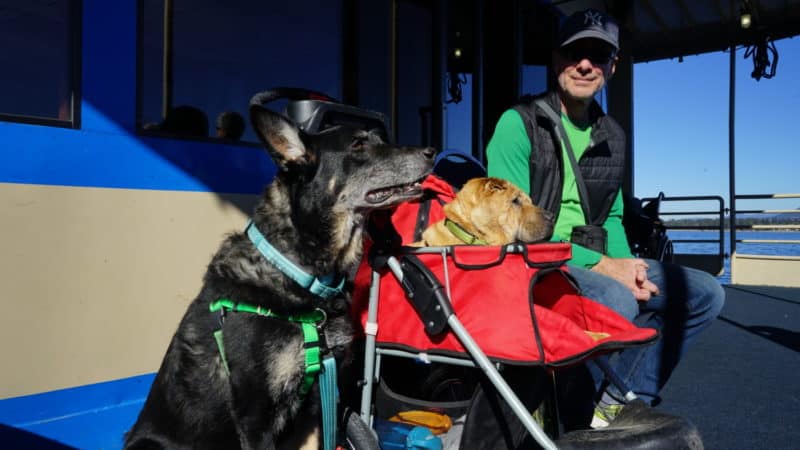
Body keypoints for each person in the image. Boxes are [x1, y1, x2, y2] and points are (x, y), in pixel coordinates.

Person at [485, 8, 725, 428]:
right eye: (575, 51)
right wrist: (605, 268)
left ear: (611, 67)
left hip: (592, 261)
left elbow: (610, 215)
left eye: (597, 55)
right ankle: (575, 417)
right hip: (534, 264)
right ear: (556, 58)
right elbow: (509, 229)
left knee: (704, 292)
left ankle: (614, 404)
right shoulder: (517, 124)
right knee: (616, 303)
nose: (584, 64)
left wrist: (627, 266)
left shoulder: (612, 135)